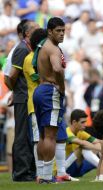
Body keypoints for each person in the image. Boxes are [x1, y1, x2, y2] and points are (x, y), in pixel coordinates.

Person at [33, 17, 70, 183]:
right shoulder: (53, 48)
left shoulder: (42, 45)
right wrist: (61, 87)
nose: (62, 34)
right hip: (50, 91)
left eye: (63, 30)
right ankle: (47, 177)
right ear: (49, 31)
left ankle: (41, 174)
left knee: (42, 136)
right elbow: (57, 69)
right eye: (58, 31)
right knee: (50, 136)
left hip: (40, 90)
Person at [9, 20, 39, 182]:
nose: (38, 29)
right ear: (27, 33)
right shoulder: (21, 49)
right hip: (22, 98)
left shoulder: (28, 48)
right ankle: (21, 173)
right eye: (35, 28)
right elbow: (11, 76)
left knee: (28, 135)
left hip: (26, 97)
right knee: (22, 135)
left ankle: (29, 170)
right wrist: (16, 91)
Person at [23, 28, 47, 178]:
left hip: (45, 103)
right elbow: (38, 79)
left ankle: (47, 172)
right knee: (38, 140)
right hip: (35, 104)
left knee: (46, 138)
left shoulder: (40, 57)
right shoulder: (29, 59)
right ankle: (40, 173)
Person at [65, 109, 103, 177]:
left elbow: (98, 141)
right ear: (74, 122)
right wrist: (100, 148)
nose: (85, 125)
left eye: (85, 122)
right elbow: (82, 143)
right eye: (82, 122)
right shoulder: (67, 133)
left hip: (77, 168)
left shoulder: (81, 133)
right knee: (82, 147)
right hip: (66, 168)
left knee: (94, 150)